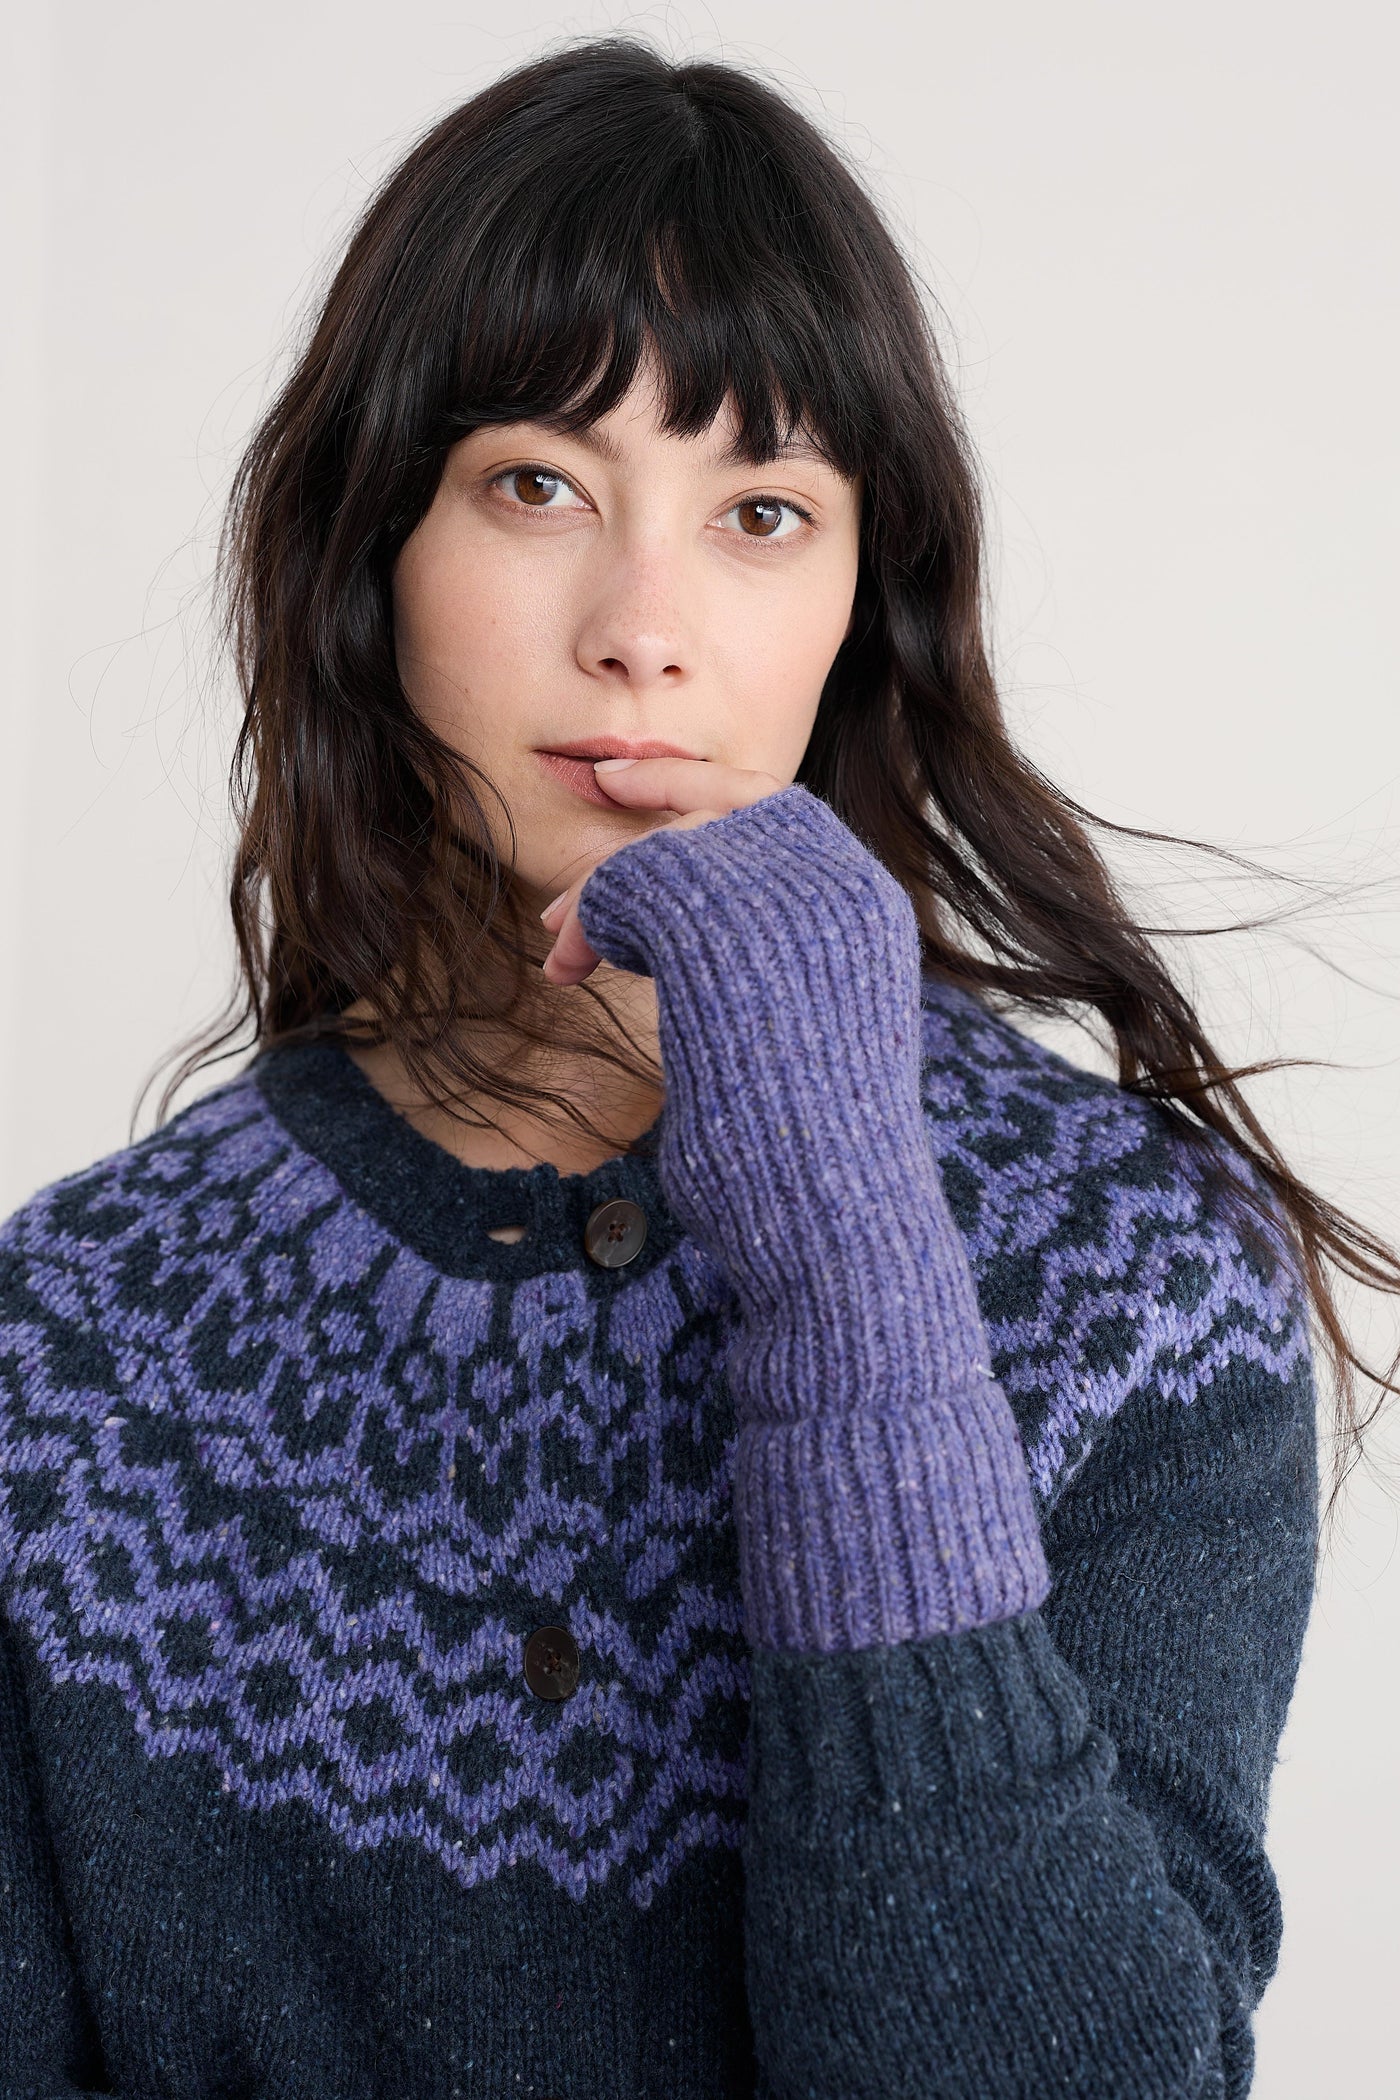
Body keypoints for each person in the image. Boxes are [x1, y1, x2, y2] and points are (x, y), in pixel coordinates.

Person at [1, 35, 1393, 2100]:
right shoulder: (77, 1341)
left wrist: (844, 1234)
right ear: (373, 556)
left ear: (861, 600)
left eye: (759, 510)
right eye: (536, 487)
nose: (641, 627)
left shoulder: (1131, 1279)